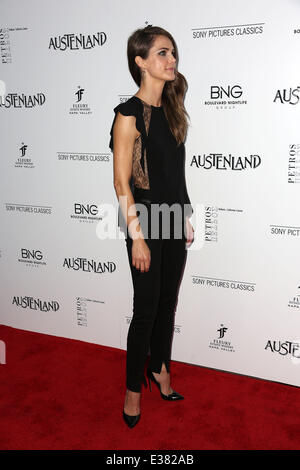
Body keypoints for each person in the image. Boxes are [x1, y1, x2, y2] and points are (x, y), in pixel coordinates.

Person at [109, 25, 194, 428]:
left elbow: (174, 173)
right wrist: (137, 239)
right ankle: (131, 389)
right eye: (162, 53)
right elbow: (121, 182)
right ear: (141, 62)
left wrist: (186, 215)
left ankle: (160, 368)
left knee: (167, 303)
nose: (171, 59)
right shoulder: (128, 115)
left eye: (172, 52)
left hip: (174, 219)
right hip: (144, 220)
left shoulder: (172, 108)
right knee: (145, 310)